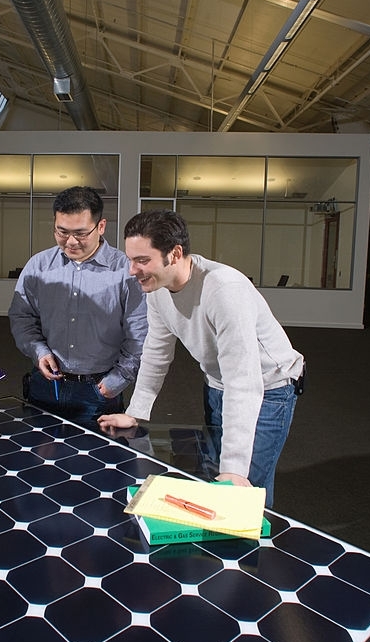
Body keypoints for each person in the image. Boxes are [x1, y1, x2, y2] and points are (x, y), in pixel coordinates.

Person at [98, 210, 305, 507]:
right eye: (131, 259)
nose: (132, 270)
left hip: (268, 388)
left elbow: (244, 381)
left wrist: (234, 469)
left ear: (175, 253)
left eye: (142, 260)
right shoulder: (157, 290)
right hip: (218, 385)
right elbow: (156, 353)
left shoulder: (224, 291)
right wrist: (136, 412)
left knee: (244, 493)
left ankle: (254, 550)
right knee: (215, 478)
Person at [8, 185, 147, 426]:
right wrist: (39, 351)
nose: (70, 242)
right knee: (41, 458)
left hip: (100, 389)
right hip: (45, 385)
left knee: (97, 461)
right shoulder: (38, 266)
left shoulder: (126, 271)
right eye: (61, 232)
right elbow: (22, 317)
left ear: (100, 226)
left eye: (81, 233)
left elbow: (139, 334)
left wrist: (117, 380)